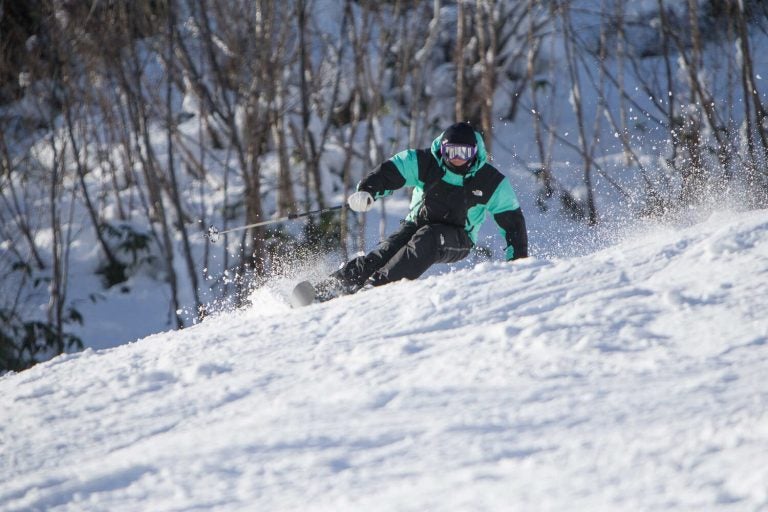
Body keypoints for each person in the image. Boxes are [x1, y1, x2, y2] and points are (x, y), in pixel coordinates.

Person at [315, 121, 528, 301]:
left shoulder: (490, 181)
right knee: (382, 254)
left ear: (474, 153)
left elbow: (513, 224)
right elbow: (393, 170)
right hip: (416, 223)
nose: (456, 159)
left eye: (463, 153)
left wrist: (517, 262)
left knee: (429, 238)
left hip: (459, 237)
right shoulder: (426, 163)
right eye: (451, 152)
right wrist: (368, 190)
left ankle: (377, 288)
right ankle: (330, 288)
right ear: (442, 150)